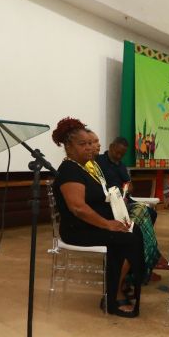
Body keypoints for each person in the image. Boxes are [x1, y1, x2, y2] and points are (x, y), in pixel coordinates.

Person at [51, 118, 145, 318]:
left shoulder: (85, 167)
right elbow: (78, 208)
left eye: (90, 143)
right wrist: (107, 224)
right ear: (68, 147)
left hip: (90, 225)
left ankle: (120, 285)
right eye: (82, 144)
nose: (88, 147)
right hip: (77, 230)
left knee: (134, 231)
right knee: (125, 238)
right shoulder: (69, 170)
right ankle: (112, 298)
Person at [93, 135, 166, 281]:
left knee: (151, 213)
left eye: (122, 154)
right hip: (110, 202)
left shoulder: (121, 165)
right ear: (111, 147)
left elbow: (129, 185)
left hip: (124, 199)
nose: (119, 156)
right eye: (117, 152)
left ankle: (144, 252)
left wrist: (128, 188)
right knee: (138, 219)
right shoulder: (98, 162)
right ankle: (141, 259)